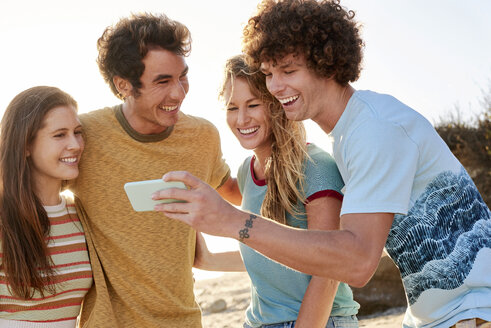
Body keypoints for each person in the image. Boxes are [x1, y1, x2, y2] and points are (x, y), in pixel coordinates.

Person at [153, 1, 491, 327]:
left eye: (288, 71)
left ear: (327, 63)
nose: (275, 86)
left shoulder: (373, 130)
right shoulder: (348, 133)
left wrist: (233, 222)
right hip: (438, 316)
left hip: (473, 313)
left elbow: (357, 262)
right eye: (269, 73)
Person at [69, 12, 239, 328]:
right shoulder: (84, 136)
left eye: (182, 76)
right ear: (123, 85)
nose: (178, 93)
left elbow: (234, 191)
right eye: (162, 82)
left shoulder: (203, 136)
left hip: (186, 321)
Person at [194, 55, 359, 328]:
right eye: (232, 107)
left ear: (276, 104)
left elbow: (328, 273)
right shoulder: (248, 172)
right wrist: (206, 260)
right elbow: (273, 255)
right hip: (258, 322)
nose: (242, 118)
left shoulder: (316, 167)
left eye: (253, 104)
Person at [0, 86, 92, 327]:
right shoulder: (3, 218)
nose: (75, 144)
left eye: (78, 132)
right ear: (25, 145)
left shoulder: (80, 215)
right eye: (60, 135)